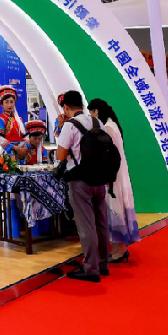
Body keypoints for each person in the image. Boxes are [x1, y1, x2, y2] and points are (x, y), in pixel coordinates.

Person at [57, 90, 111, 282]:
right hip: (100, 178)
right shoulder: (97, 122)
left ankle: (90, 269)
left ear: (66, 107)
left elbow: (61, 156)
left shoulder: (70, 125)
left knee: (86, 225)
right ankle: (103, 264)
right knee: (101, 223)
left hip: (80, 179)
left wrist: (61, 130)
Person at [89, 98, 139, 263]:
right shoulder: (112, 124)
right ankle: (118, 247)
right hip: (116, 172)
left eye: (91, 113)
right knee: (115, 208)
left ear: (96, 111)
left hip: (113, 173)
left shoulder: (108, 127)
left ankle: (120, 248)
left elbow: (108, 153)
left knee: (115, 208)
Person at [0, 85, 30, 162]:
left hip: (21, 154)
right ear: (2, 104)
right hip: (8, 154)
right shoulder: (0, 119)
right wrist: (16, 148)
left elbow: (26, 136)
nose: (9, 105)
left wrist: (24, 148)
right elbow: (0, 139)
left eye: (12, 102)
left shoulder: (19, 119)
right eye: (6, 102)